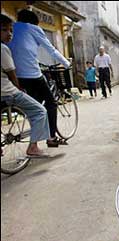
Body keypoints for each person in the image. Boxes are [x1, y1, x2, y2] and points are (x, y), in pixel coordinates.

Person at [8, 9, 71, 147]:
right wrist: (66, 63)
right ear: (34, 21)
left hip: (13, 74)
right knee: (51, 103)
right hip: (30, 74)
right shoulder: (33, 28)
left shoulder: (11, 27)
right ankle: (51, 137)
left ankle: (35, 140)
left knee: (33, 106)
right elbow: (51, 49)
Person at [1, 14, 50, 157]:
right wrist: (19, 88)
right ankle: (33, 147)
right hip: (7, 92)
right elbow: (11, 73)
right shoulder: (3, 49)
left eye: (11, 30)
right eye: (5, 30)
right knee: (40, 111)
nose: (9, 34)